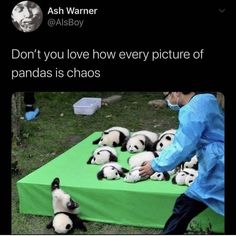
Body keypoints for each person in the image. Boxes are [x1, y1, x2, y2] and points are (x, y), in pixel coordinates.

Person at [139, 92, 224, 234]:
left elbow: (182, 145)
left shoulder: (191, 111)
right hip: (218, 159)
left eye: (167, 96)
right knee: (189, 203)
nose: (167, 101)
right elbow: (196, 138)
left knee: (186, 204)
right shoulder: (207, 99)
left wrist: (155, 165)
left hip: (217, 165)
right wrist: (181, 159)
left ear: (176, 92)